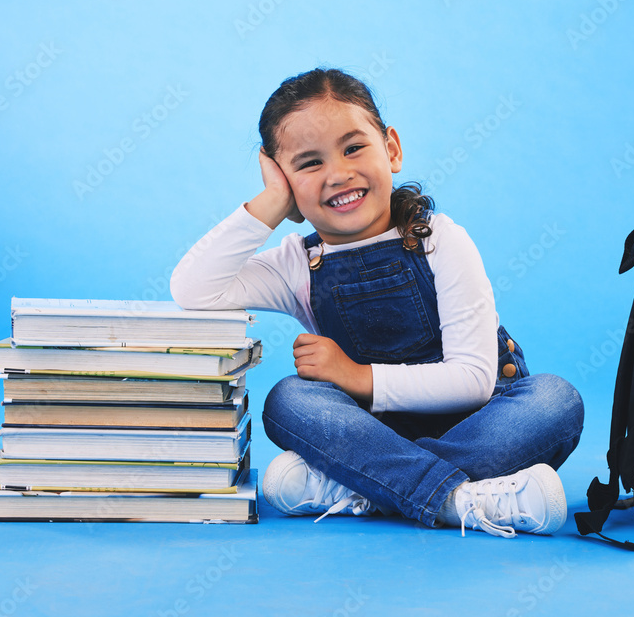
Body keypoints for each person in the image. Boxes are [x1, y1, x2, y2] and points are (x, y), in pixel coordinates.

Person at [170, 68, 583, 538]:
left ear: (392, 149)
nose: (338, 174)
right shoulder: (297, 264)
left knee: (555, 400)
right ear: (286, 183)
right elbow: (194, 289)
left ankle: (366, 488)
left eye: (353, 148)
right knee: (288, 398)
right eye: (308, 164)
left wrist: (354, 376)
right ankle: (461, 499)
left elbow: (471, 380)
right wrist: (270, 202)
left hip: (476, 423)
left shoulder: (441, 240)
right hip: (369, 432)